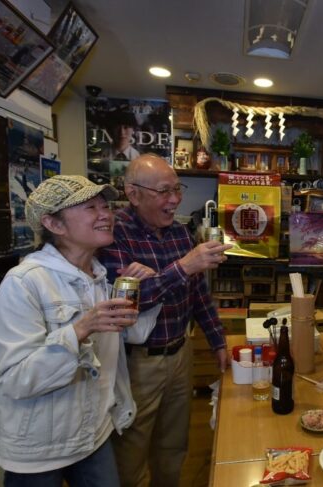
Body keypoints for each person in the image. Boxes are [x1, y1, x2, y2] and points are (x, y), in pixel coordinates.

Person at [0, 175, 143, 486]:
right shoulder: (24, 282)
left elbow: (113, 357)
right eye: (90, 207)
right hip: (38, 450)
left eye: (105, 205)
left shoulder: (99, 278)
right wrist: (80, 330)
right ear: (54, 225)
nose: (105, 214)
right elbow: (17, 379)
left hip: (94, 434)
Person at [98, 153, 231, 487]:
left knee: (173, 448)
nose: (174, 199)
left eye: (177, 189)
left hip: (180, 354)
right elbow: (126, 306)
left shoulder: (178, 233)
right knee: (131, 452)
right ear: (133, 193)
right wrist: (183, 266)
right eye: (164, 191)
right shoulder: (114, 234)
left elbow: (198, 293)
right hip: (138, 363)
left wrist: (218, 341)